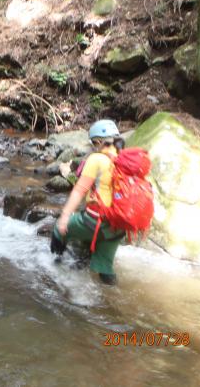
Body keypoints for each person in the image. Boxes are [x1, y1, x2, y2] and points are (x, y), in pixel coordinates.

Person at [50, 119, 126, 285]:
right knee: (105, 269)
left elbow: (79, 190)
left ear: (98, 142)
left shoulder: (96, 159)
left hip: (98, 221)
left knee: (58, 229)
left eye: (93, 143)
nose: (92, 146)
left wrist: (64, 218)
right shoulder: (124, 159)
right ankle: (110, 293)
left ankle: (55, 268)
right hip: (119, 226)